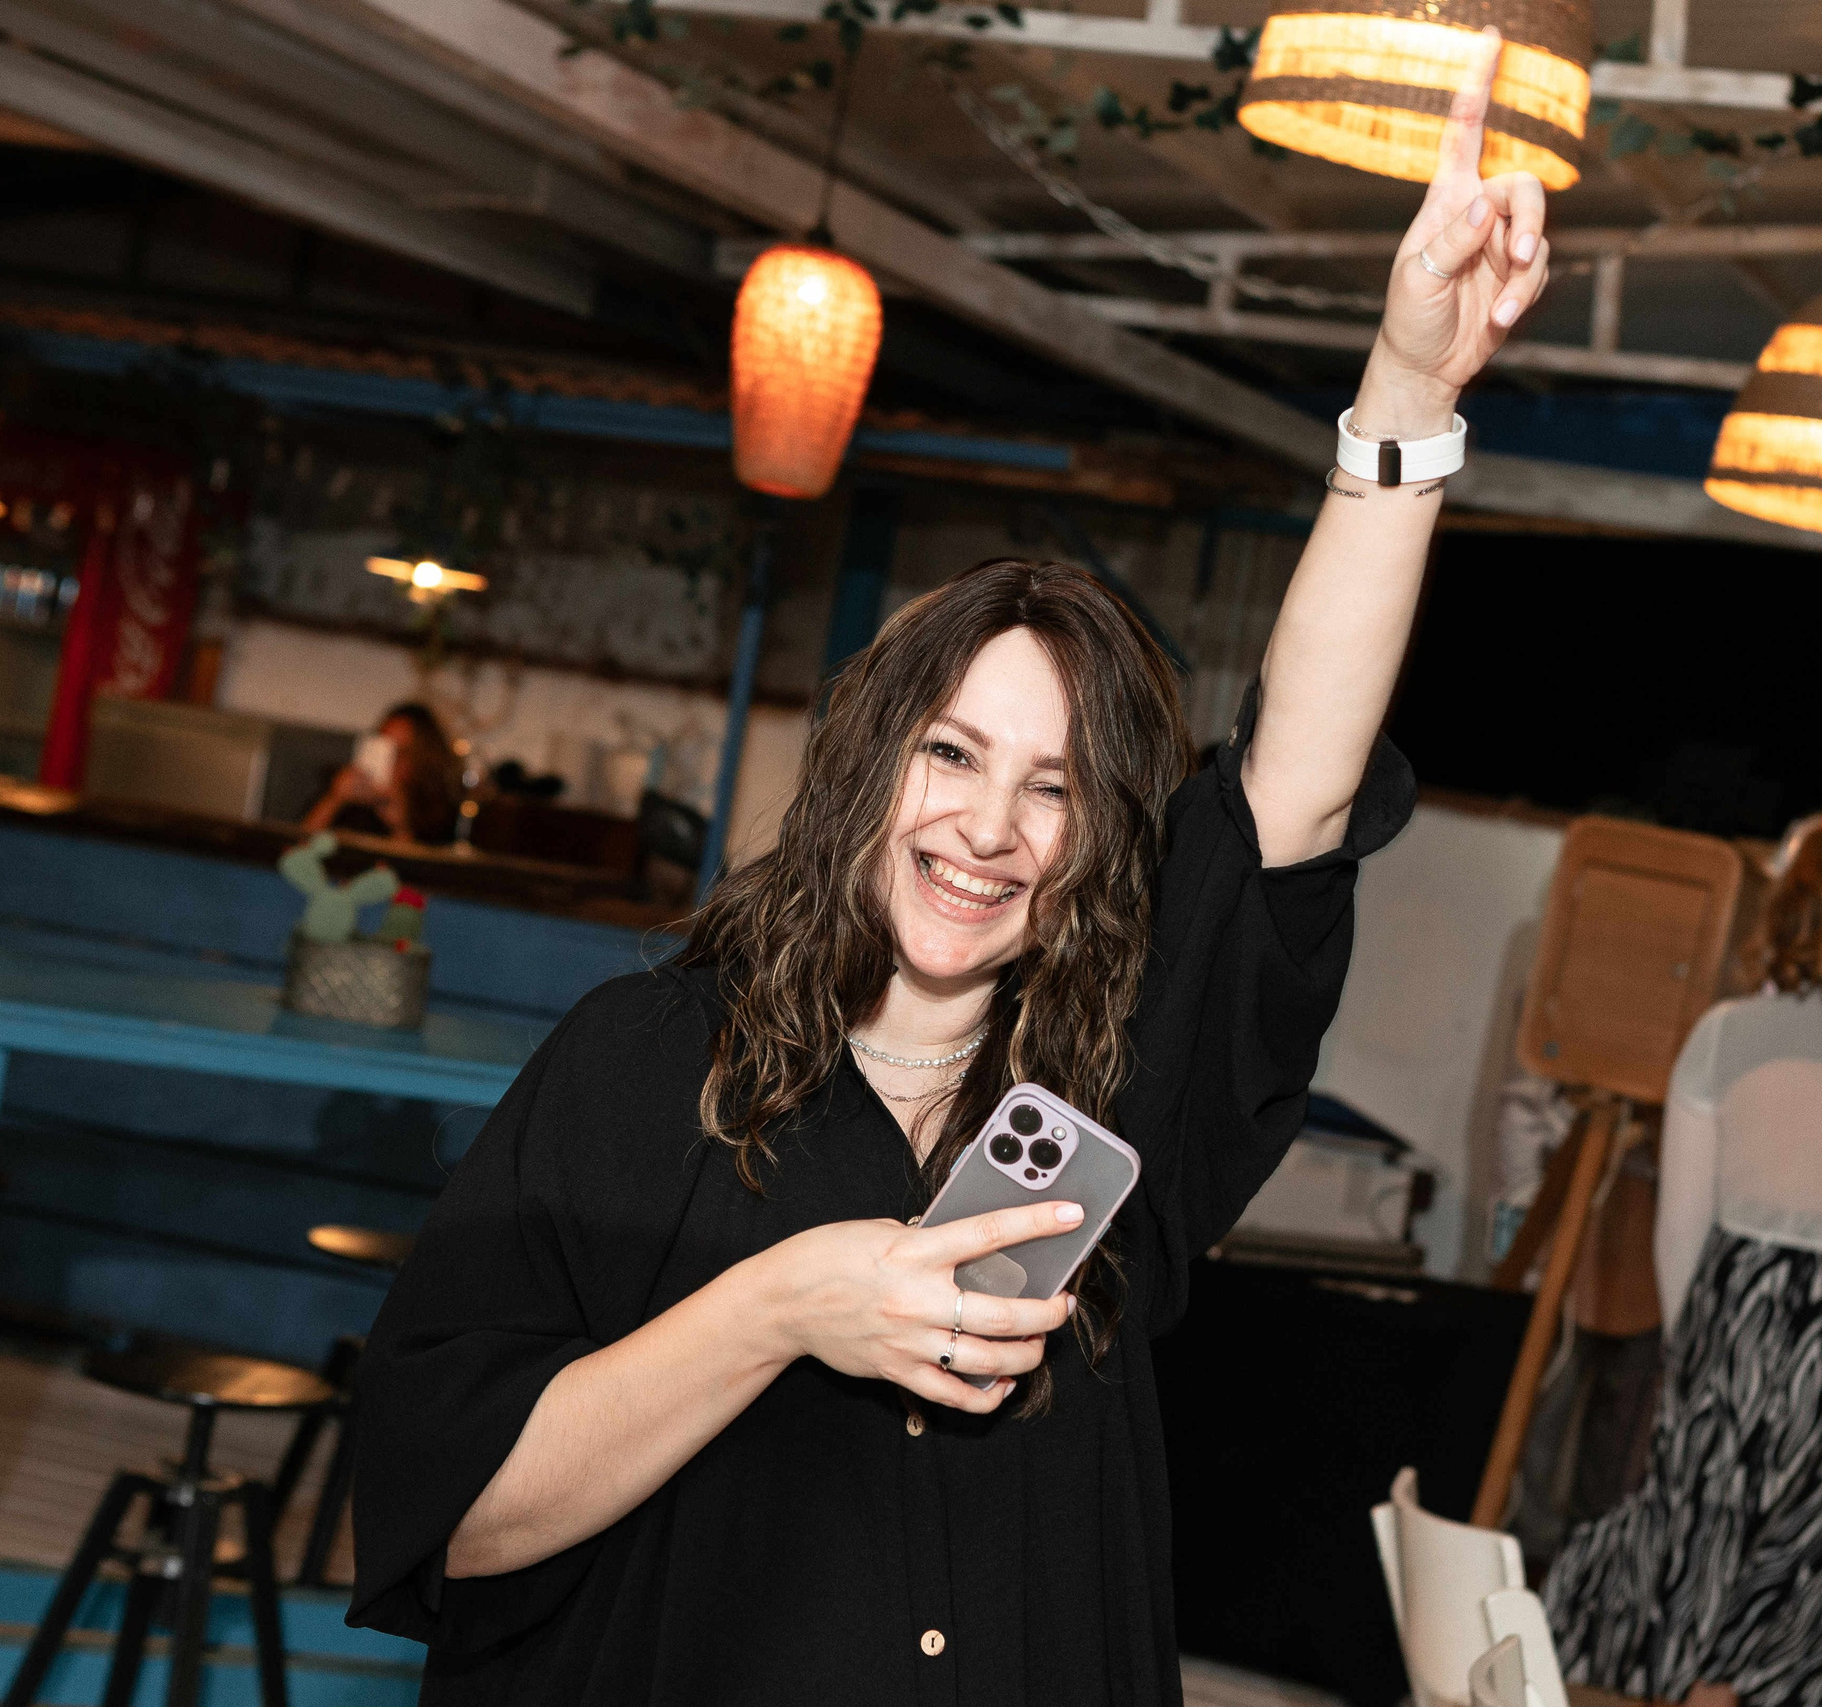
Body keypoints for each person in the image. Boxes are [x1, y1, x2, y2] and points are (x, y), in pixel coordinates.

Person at [345, 37, 1551, 1707]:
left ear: (1094, 849)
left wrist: (1407, 394)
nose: (991, 825)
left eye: (1055, 789)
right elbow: (461, 1512)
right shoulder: (640, 1070)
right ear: (866, 765)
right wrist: (782, 1304)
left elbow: (1293, 788)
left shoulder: (1112, 1094)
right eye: (954, 754)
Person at [1543, 805, 1822, 1707]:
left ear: (1793, 902)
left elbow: (1681, 1227)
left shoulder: (1725, 1035)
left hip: (1737, 1315)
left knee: (1707, 1554)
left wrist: (1704, 1344)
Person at [302, 700, 462, 844]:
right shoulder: (346, 793)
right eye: (384, 749)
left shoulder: (439, 812)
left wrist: (400, 827)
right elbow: (296, 850)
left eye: (402, 753)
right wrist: (334, 799)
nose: (391, 762)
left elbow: (423, 865)